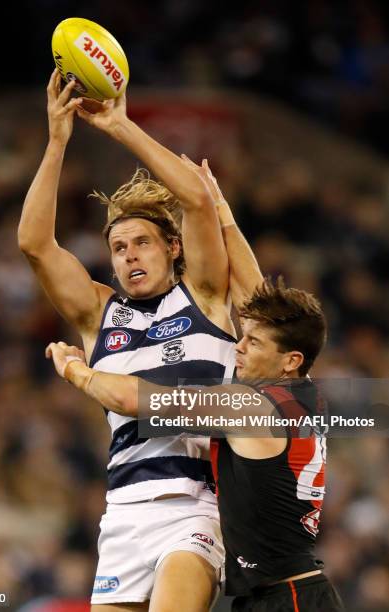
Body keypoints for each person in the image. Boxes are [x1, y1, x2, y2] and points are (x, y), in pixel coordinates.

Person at [46, 162, 344, 611]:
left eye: (252, 342)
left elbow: (136, 400)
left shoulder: (244, 407)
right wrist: (222, 212)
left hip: (289, 597)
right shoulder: (298, 395)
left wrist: (75, 370)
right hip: (272, 593)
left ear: (290, 360)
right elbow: (255, 293)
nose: (237, 345)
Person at [18, 70, 237, 611]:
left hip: (195, 509)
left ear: (174, 248)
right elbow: (34, 243)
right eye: (118, 247)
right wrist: (56, 141)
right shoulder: (99, 314)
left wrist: (120, 125)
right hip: (122, 512)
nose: (130, 255)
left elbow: (198, 202)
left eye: (142, 242)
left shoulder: (205, 295)